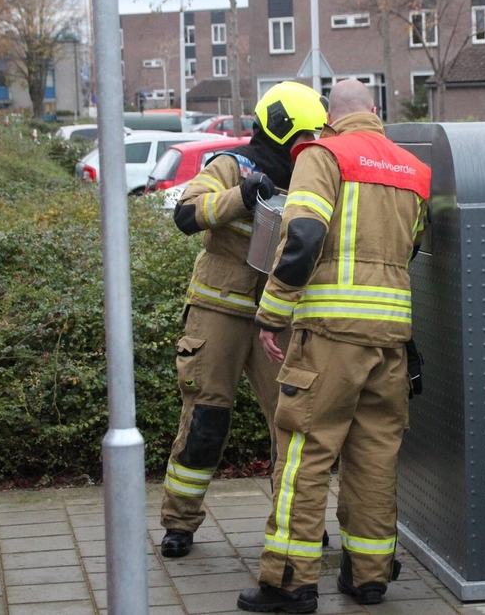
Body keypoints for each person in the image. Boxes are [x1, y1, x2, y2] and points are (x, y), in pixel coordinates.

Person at [236, 79, 431, 613]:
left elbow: (301, 239)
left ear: (331, 117)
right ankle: (369, 577)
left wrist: (272, 314)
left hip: (328, 336)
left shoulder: (323, 156)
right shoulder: (413, 170)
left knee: (306, 451)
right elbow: (408, 251)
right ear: (374, 111)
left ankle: (289, 583)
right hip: (390, 338)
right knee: (375, 456)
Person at [159, 81, 329, 559]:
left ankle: (296, 524)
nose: (308, 147)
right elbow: (188, 213)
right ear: (280, 130)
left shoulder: (310, 176)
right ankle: (179, 522)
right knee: (206, 418)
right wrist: (242, 195)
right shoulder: (232, 165)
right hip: (219, 312)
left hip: (279, 317)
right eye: (304, 137)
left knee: (292, 423)